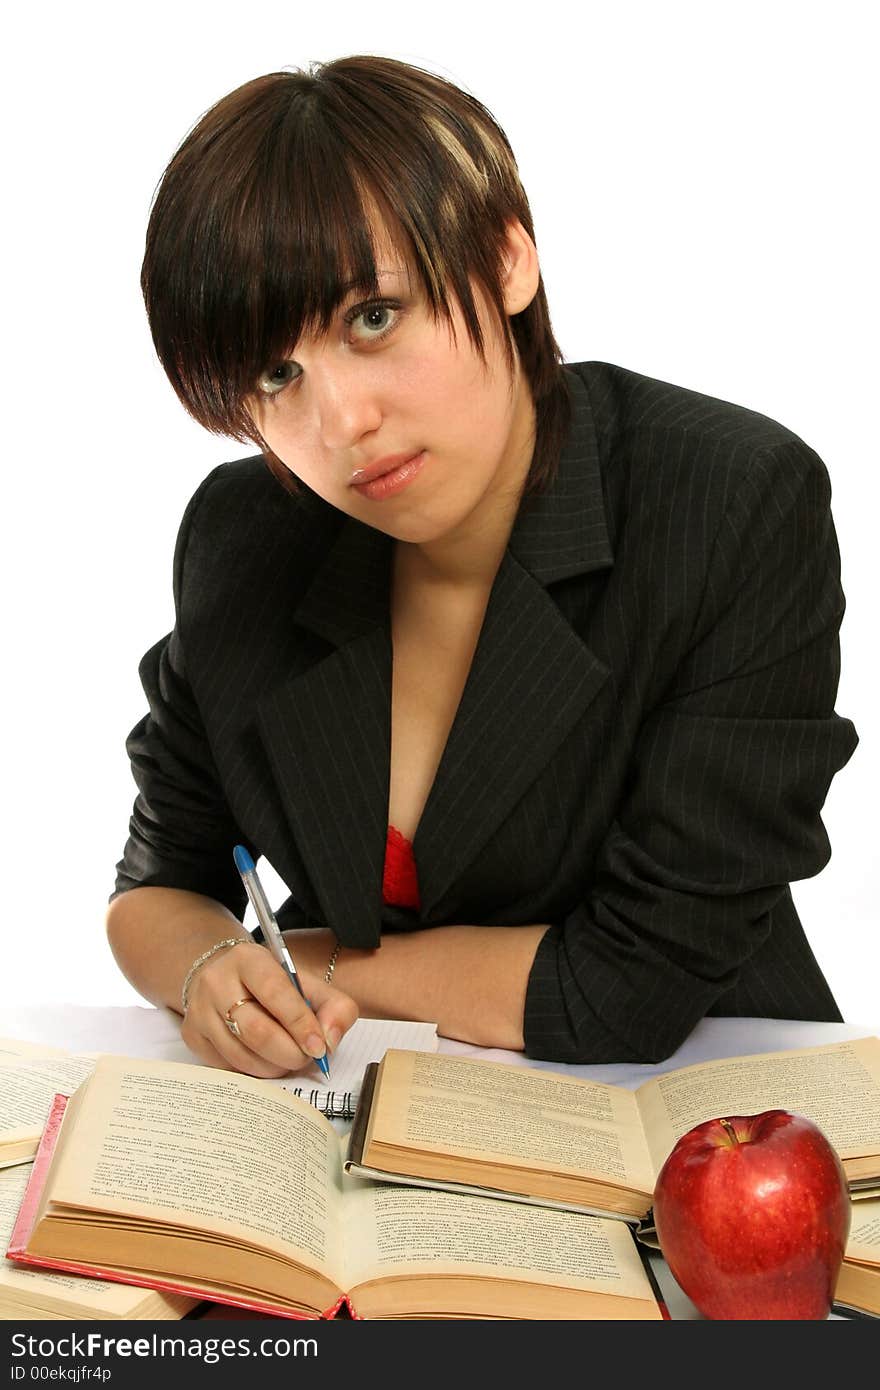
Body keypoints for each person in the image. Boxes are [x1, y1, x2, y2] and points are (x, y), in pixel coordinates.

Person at [106, 55, 858, 1080]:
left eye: (371, 317)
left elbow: (626, 986)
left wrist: (312, 960)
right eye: (276, 375)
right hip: (358, 1123)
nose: (340, 425)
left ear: (508, 258)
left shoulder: (729, 502)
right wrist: (204, 967)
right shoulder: (247, 537)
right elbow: (156, 882)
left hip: (692, 1114)